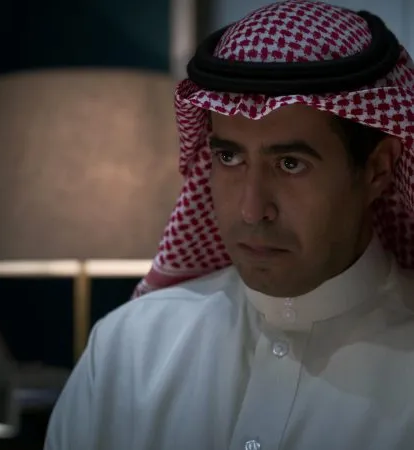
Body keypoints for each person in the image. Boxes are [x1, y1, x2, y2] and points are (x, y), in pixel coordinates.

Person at [44, 1, 414, 449]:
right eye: (229, 157)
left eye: (290, 163)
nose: (252, 210)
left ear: (377, 170)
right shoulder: (128, 351)